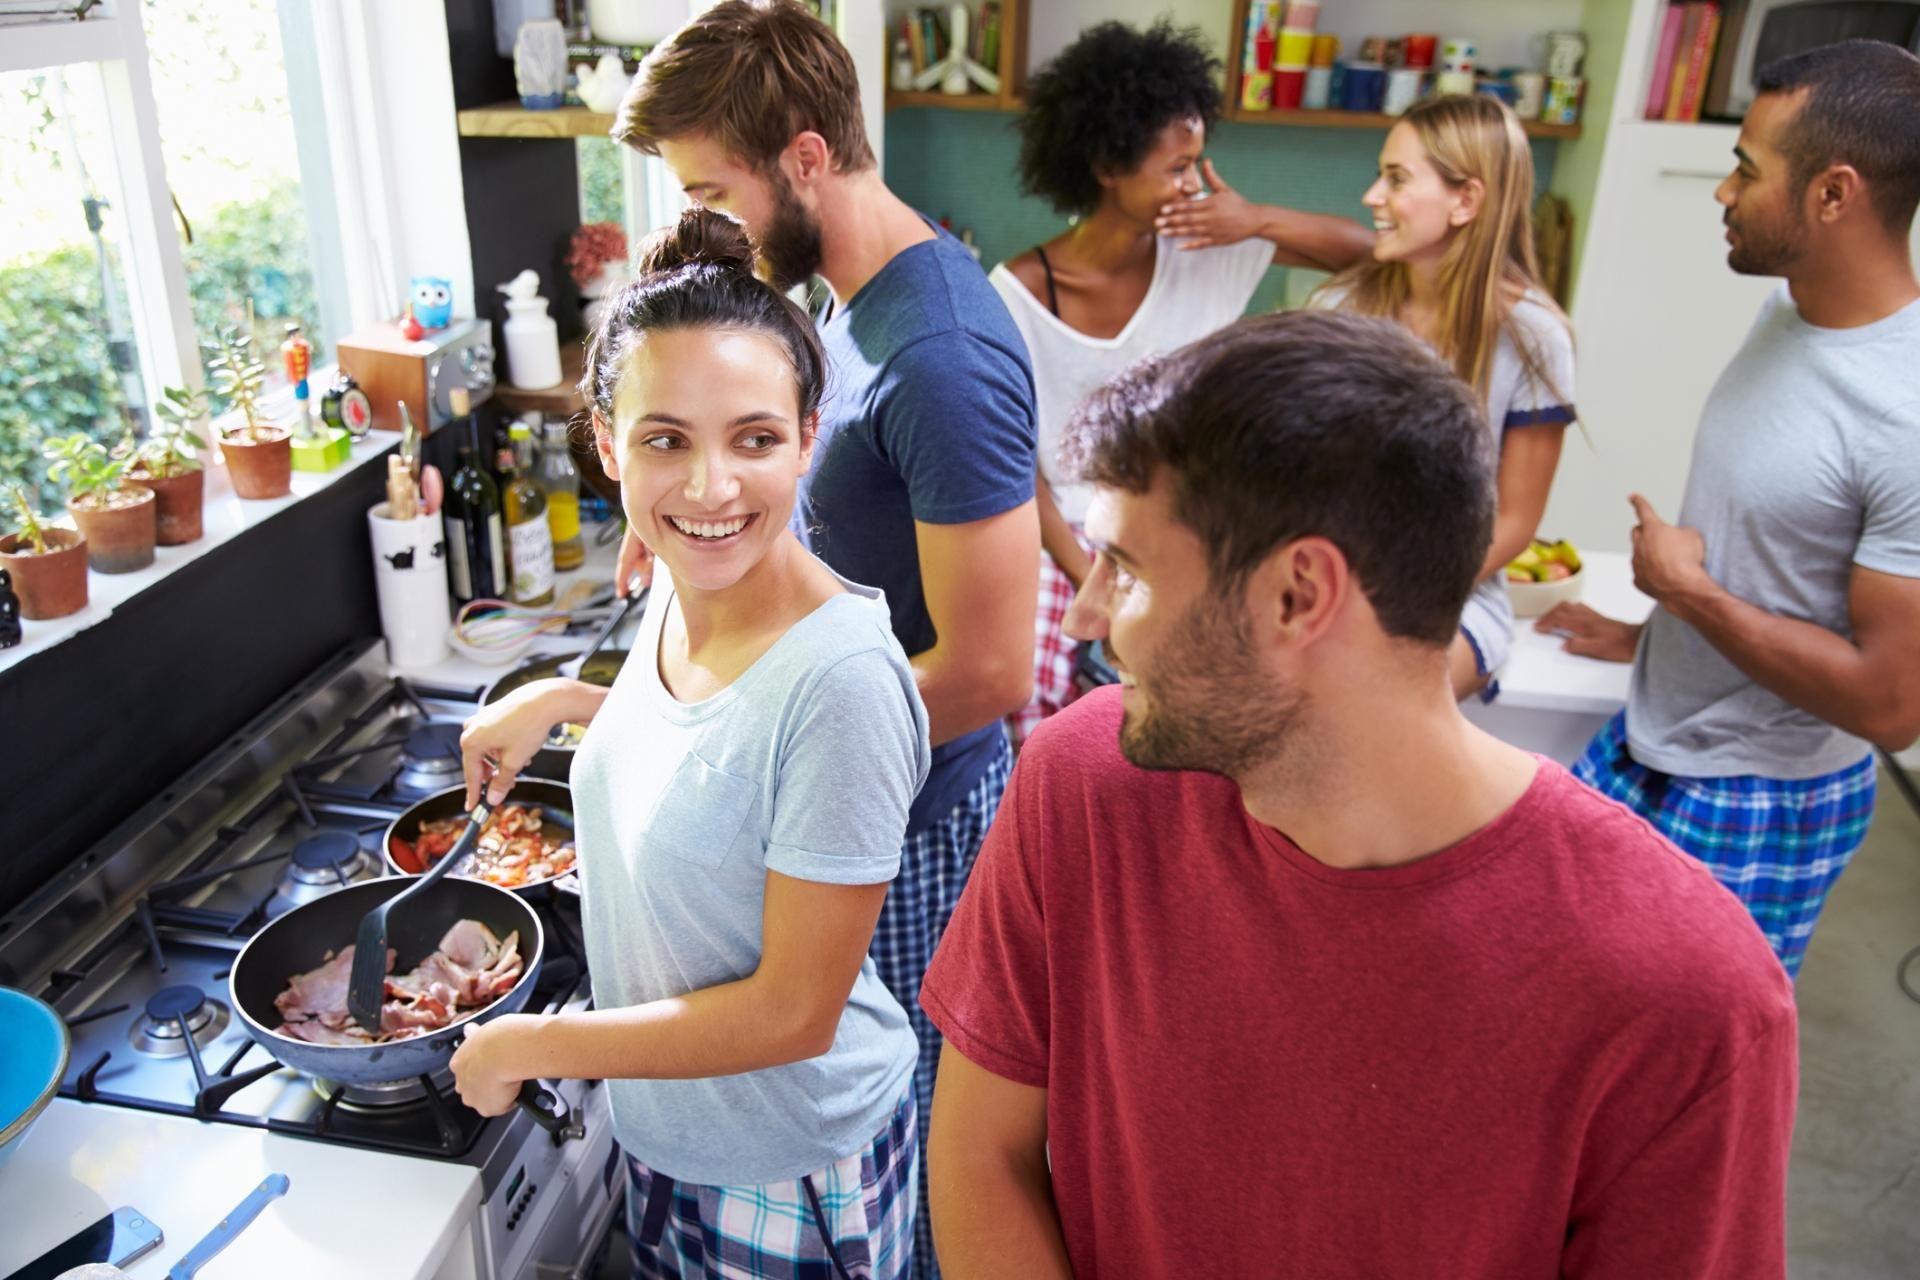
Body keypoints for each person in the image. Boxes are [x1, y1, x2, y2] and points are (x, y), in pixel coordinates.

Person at [919, 310, 1796, 1278]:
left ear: (1299, 594)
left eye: (1124, 571)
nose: (1085, 619)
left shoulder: (1686, 995)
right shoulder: (1085, 783)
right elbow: (982, 1154)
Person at [611, 5, 1040, 1272]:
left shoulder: (938, 354)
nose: (710, 221)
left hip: (903, 831)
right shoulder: (851, 303)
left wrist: (753, 757)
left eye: (713, 191)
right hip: (844, 811)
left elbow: (989, 670)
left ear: (804, 158)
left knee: (885, 1173)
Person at [450, 208, 927, 1279]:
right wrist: (564, 699)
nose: (711, 487)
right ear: (607, 444)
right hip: (670, 1129)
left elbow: (792, 1014)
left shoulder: (844, 682)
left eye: (755, 439)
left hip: (790, 1170)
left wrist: (534, 1043)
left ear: (808, 437)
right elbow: (713, 732)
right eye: (665, 439)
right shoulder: (687, 569)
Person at [1539, 40, 1920, 979]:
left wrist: (1691, 596)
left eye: (1747, 169)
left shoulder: (1905, 415)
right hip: (1660, 737)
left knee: (1675, 1056)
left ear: (1833, 194)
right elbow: (1780, 559)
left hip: (1756, 795)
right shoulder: (1788, 312)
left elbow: (1890, 706)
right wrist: (1654, 633)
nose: (1724, 191)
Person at [990, 19, 1373, 743]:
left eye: (1198, 163)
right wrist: (1094, 572)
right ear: (1108, 165)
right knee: (1033, 700)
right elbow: (1018, 466)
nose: (1193, 183)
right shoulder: (1017, 295)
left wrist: (1255, 218)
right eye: (1177, 167)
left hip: (1184, 526)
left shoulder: (1205, 249)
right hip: (1060, 539)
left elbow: (1375, 256)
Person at [1161, 92, 1576, 700]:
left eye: (1396, 179)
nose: (1372, 196)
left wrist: (1384, 597)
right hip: (1321, 584)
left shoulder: (1534, 336)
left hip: (1450, 596)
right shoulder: (1340, 308)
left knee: (1366, 707)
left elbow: (1514, 522)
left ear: (1465, 201)